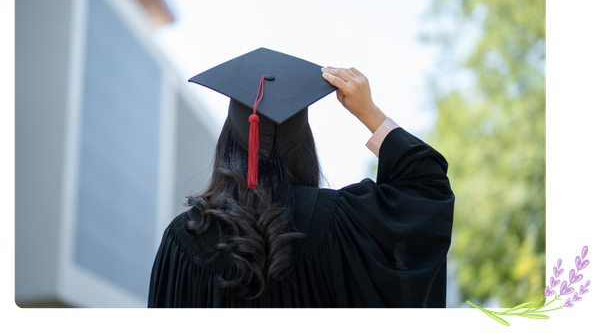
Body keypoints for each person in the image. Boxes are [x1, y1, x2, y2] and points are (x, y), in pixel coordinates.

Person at [148, 48, 454, 309]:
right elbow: (427, 187)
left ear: (229, 143)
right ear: (304, 145)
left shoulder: (184, 238)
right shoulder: (343, 223)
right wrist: (370, 113)